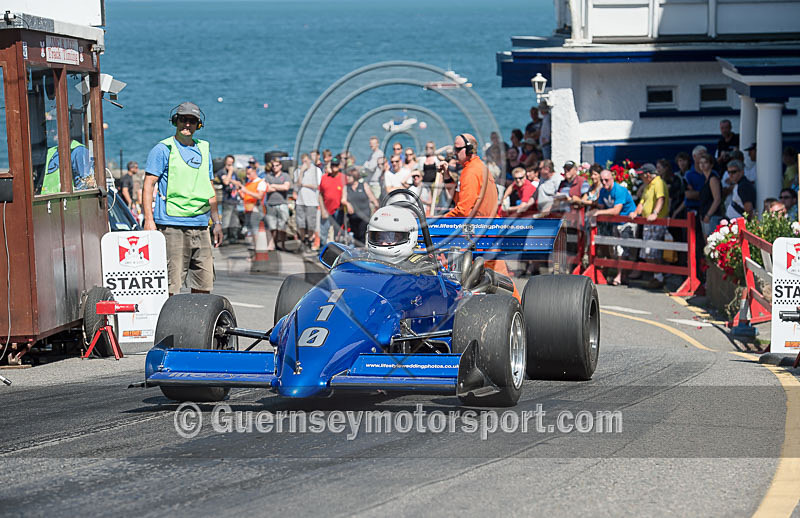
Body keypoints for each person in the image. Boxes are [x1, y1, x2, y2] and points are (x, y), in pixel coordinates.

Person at [142, 101, 221, 296]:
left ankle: (198, 316)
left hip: (201, 224)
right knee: (172, 285)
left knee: (204, 284)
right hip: (172, 225)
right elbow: (149, 184)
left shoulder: (204, 149)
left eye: (192, 121)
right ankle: (170, 316)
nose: (187, 125)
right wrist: (149, 220)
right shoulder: (163, 149)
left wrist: (217, 222)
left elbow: (209, 187)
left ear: (198, 125)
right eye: (183, 120)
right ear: (175, 121)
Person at [442, 133, 519, 299]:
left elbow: (463, 210)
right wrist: (447, 176)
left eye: (457, 149)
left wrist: (440, 222)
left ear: (469, 150)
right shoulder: (480, 168)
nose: (454, 153)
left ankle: (516, 308)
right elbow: (461, 200)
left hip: (482, 235)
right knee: (499, 281)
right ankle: (516, 307)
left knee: (495, 281)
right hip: (487, 232)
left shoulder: (470, 172)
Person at [589, 170, 637, 286]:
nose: (604, 183)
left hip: (627, 221)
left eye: (606, 180)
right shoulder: (603, 191)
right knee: (616, 250)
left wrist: (598, 212)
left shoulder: (620, 190)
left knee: (623, 250)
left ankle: (620, 275)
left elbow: (616, 211)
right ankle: (622, 275)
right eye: (602, 180)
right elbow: (600, 205)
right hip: (615, 223)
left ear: (612, 179)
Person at [631, 163, 669, 289]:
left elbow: (661, 199)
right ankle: (657, 276)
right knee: (648, 252)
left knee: (651, 251)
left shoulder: (658, 183)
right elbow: (642, 202)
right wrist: (636, 212)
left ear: (647, 175)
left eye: (642, 175)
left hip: (656, 222)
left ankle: (659, 276)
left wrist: (655, 213)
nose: (641, 178)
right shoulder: (648, 185)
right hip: (648, 223)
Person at [366, 205, 436, 272]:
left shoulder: (423, 268)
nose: (384, 243)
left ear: (410, 237)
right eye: (380, 238)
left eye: (392, 238)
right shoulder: (366, 262)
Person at [344, 166, 379, 245]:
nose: (347, 177)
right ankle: (357, 249)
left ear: (354, 177)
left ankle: (361, 249)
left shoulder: (363, 185)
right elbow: (343, 199)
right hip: (353, 216)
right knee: (355, 235)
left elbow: (372, 197)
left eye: (349, 176)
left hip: (364, 215)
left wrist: (377, 206)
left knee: (362, 235)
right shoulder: (346, 187)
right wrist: (347, 204)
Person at [295, 153, 322, 251]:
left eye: (306, 161)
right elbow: (297, 184)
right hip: (300, 201)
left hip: (312, 201)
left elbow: (317, 185)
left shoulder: (316, 170)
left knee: (311, 223)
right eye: (303, 162)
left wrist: (304, 185)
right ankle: (303, 240)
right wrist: (301, 172)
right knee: (300, 223)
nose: (304, 163)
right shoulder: (298, 171)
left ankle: (310, 239)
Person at [263, 158, 291, 251]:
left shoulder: (285, 176)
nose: (275, 167)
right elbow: (266, 188)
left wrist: (274, 185)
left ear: (280, 166)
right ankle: (272, 244)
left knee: (282, 226)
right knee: (272, 226)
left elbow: (286, 187)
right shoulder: (268, 176)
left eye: (277, 165)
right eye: (273, 166)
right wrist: (279, 187)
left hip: (282, 203)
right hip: (270, 204)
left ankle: (282, 244)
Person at [318, 156, 347, 245]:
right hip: (326, 209)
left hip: (338, 210)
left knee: (337, 235)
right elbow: (320, 194)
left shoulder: (343, 178)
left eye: (336, 165)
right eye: (333, 165)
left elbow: (346, 192)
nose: (334, 167)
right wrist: (322, 210)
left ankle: (337, 251)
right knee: (323, 233)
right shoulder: (324, 177)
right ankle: (322, 249)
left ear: (339, 166)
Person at [235, 165, 267, 242]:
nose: (247, 176)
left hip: (257, 209)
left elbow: (259, 196)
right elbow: (245, 197)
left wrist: (246, 191)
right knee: (250, 231)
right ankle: (254, 245)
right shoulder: (248, 183)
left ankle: (258, 246)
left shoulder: (260, 182)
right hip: (248, 210)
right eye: (246, 174)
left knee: (255, 230)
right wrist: (240, 192)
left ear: (254, 172)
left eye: (249, 174)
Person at [214, 154, 241, 244]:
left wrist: (232, 180)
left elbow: (239, 183)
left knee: (235, 220)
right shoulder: (222, 172)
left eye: (231, 163)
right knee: (226, 220)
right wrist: (230, 172)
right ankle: (223, 238)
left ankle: (233, 237)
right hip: (227, 200)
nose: (230, 165)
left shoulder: (234, 173)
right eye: (228, 163)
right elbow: (225, 182)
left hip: (234, 199)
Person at [698, 153, 723, 236]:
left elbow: (717, 199)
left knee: (712, 240)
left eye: (705, 162)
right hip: (705, 215)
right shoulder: (705, 179)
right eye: (700, 163)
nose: (702, 165)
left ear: (711, 164)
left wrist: (708, 215)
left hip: (712, 217)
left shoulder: (713, 179)